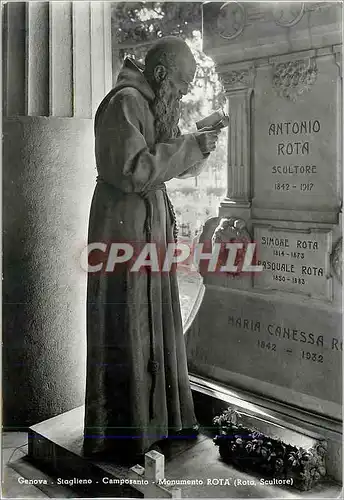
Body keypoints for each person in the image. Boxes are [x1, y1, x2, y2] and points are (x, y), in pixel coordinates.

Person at [83, 36, 221, 463]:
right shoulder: (124, 101)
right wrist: (190, 146)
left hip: (146, 226)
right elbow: (134, 169)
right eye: (179, 86)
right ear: (160, 75)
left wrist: (201, 137)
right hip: (123, 229)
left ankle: (155, 423)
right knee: (128, 319)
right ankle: (126, 434)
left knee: (151, 317)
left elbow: (166, 156)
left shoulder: (150, 103)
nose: (179, 95)